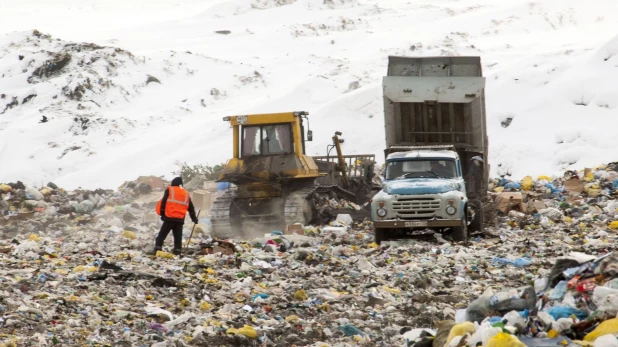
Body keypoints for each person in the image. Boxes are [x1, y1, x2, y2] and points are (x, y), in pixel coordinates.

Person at [151, 177, 198, 255]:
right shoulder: (186, 193)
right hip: (179, 220)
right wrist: (194, 219)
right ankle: (177, 251)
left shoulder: (170, 190)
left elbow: (163, 203)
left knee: (162, 234)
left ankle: (157, 249)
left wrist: (162, 214)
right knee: (178, 237)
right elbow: (191, 208)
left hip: (169, 217)